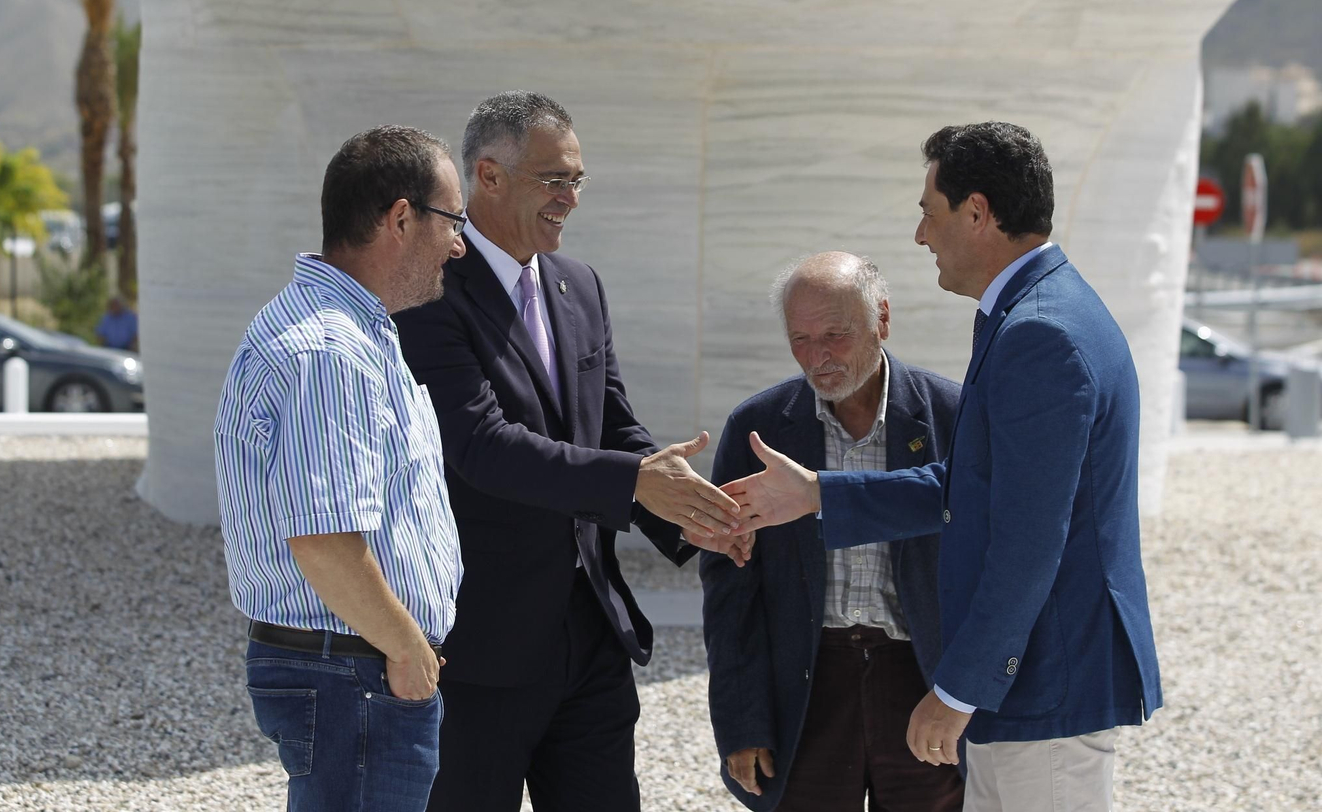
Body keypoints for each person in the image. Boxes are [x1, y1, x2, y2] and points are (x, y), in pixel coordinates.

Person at [724, 122, 1162, 812]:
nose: (921, 236)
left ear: (978, 212)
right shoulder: (1039, 311)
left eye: (929, 213)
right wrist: (816, 494)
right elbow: (972, 489)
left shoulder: (1039, 333)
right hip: (1036, 685)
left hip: (1043, 687)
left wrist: (958, 689)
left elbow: (1027, 540)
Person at [394, 91, 743, 812]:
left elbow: (613, 426)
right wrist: (634, 481)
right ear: (487, 177)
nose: (570, 199)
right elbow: (480, 446)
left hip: (591, 634)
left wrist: (699, 514)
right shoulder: (430, 293)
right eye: (554, 179)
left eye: (577, 179)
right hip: (478, 646)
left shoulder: (579, 286)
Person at [212, 125, 468, 812]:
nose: (460, 243)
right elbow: (325, 540)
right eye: (454, 219)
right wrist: (410, 650)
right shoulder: (330, 349)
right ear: (402, 218)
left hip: (355, 667)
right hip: (355, 672)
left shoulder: (347, 333)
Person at [701, 251, 963, 812]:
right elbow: (731, 589)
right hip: (807, 681)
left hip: (920, 683)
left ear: (882, 320)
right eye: (800, 338)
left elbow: (989, 571)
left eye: (835, 335)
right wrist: (742, 720)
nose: (817, 357)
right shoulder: (758, 429)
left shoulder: (952, 416)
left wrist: (965, 696)